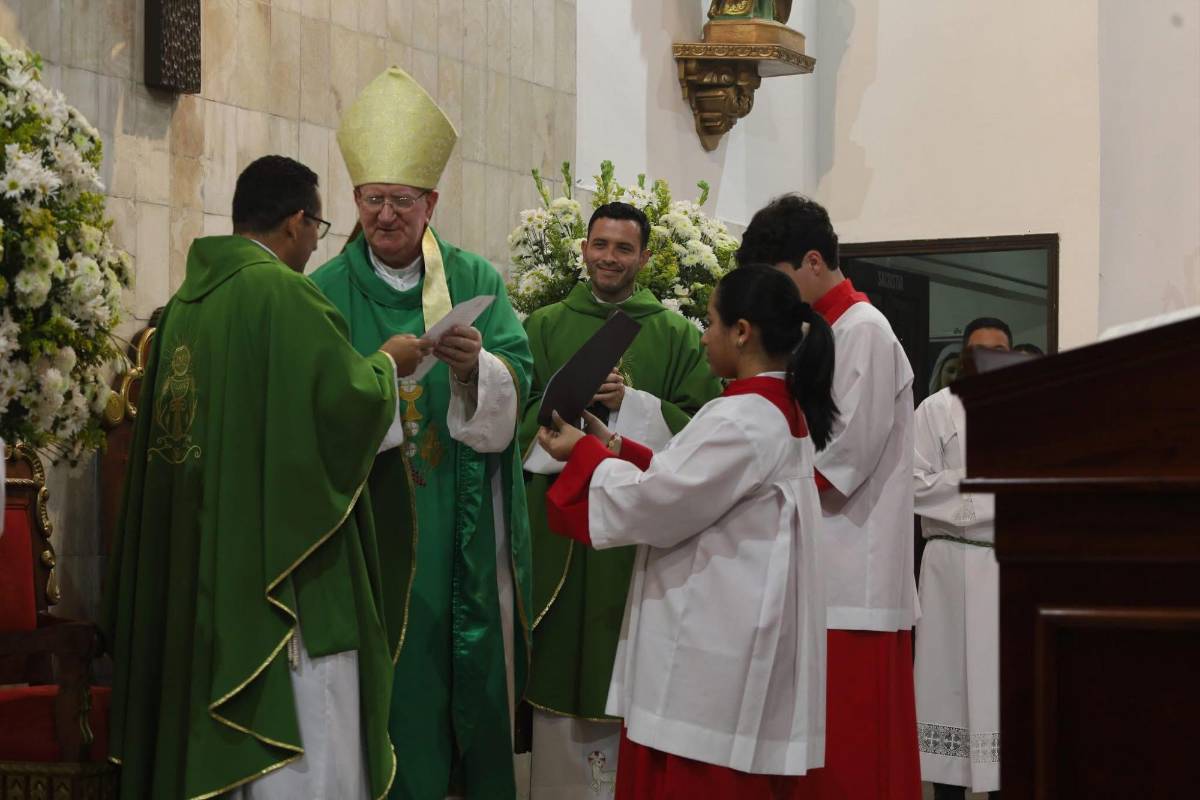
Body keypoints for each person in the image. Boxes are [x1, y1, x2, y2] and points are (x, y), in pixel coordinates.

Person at [101, 155, 430, 799]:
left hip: (204, 560)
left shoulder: (188, 304)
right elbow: (341, 408)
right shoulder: (284, 294)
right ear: (296, 221)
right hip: (277, 570)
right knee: (305, 736)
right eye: (318, 228)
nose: (315, 244)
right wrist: (390, 365)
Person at [309, 67, 534, 799]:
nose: (384, 216)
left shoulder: (474, 279)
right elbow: (310, 404)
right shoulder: (322, 293)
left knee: (451, 668)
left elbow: (520, 377)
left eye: (401, 201)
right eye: (371, 199)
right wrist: (377, 375)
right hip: (365, 519)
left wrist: (476, 370)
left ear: (431, 203)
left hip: (451, 525)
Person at [536, 264, 836, 798]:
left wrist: (582, 454)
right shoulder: (772, 407)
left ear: (742, 332)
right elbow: (688, 479)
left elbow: (659, 501)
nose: (703, 336)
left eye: (712, 323)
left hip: (709, 646)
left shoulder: (742, 417)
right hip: (733, 628)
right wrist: (612, 447)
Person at [519, 202, 723, 796]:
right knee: (558, 651)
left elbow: (701, 427)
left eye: (624, 248)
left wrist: (628, 405)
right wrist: (569, 400)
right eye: (601, 245)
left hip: (636, 528)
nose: (609, 258)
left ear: (645, 257)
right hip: (558, 518)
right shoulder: (544, 325)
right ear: (583, 248)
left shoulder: (675, 333)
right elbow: (513, 414)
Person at [736, 194, 922, 799]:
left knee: (849, 760)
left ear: (813, 261)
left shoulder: (864, 331)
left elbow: (842, 460)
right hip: (818, 568)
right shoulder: (823, 332)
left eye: (781, 281)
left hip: (852, 577)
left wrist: (741, 487)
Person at [913, 317, 1012, 800]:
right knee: (945, 693)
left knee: (1004, 698)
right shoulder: (934, 410)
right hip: (948, 573)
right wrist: (980, 486)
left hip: (1007, 571)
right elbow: (912, 484)